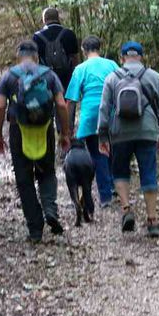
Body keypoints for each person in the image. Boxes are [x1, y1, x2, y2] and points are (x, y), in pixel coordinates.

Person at [0, 40, 72, 242]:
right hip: (45, 129)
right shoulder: (49, 74)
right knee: (47, 171)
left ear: (18, 55)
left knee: (24, 178)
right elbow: (62, 106)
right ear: (37, 56)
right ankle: (50, 209)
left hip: (18, 130)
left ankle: (35, 228)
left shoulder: (9, 76)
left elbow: (0, 107)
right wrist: (65, 133)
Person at [97, 41, 159, 238]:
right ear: (141, 56)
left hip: (119, 132)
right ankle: (152, 221)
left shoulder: (112, 78)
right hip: (147, 131)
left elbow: (104, 109)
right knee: (148, 171)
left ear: (122, 58)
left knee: (119, 170)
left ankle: (126, 210)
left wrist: (103, 136)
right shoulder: (153, 76)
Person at [64, 36, 119, 208]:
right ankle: (113, 186)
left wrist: (68, 128)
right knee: (111, 151)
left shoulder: (80, 69)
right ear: (99, 48)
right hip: (110, 113)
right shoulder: (112, 65)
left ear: (83, 50)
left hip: (90, 117)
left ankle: (106, 196)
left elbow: (71, 101)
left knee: (98, 154)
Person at [33, 7, 79, 91]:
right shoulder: (69, 34)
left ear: (44, 19)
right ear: (58, 18)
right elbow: (75, 57)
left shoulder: (37, 37)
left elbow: (34, 60)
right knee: (67, 102)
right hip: (67, 77)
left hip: (46, 77)